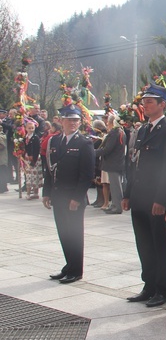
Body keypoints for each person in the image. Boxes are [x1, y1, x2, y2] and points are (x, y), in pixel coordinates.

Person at [122, 83, 166, 307]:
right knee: (144, 244)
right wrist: (127, 193)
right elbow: (134, 164)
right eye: (143, 101)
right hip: (139, 196)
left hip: (155, 200)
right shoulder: (143, 130)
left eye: (149, 102)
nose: (144, 105)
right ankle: (149, 285)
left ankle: (163, 289)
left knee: (159, 244)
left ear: (162, 104)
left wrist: (162, 200)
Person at [42, 104, 96, 284]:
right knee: (63, 233)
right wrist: (47, 192)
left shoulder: (84, 142)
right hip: (58, 195)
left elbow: (87, 174)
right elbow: (49, 169)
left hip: (73, 197)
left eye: (76, 120)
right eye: (69, 120)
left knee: (74, 234)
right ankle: (69, 265)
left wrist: (77, 197)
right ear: (61, 121)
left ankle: (76, 270)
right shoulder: (55, 141)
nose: (73, 123)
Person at [96, 114, 126, 214]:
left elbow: (108, 148)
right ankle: (114, 204)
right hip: (117, 162)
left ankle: (117, 206)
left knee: (115, 186)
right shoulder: (121, 132)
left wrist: (95, 152)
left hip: (113, 162)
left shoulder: (115, 132)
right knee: (114, 185)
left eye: (108, 122)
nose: (107, 124)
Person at [22, 119, 42, 199]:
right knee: (28, 175)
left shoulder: (35, 137)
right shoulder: (25, 137)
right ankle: (28, 193)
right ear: (26, 128)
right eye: (29, 128)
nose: (31, 130)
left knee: (35, 176)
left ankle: (35, 192)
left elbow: (37, 149)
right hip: (27, 158)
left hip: (34, 158)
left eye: (32, 128)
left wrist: (34, 160)